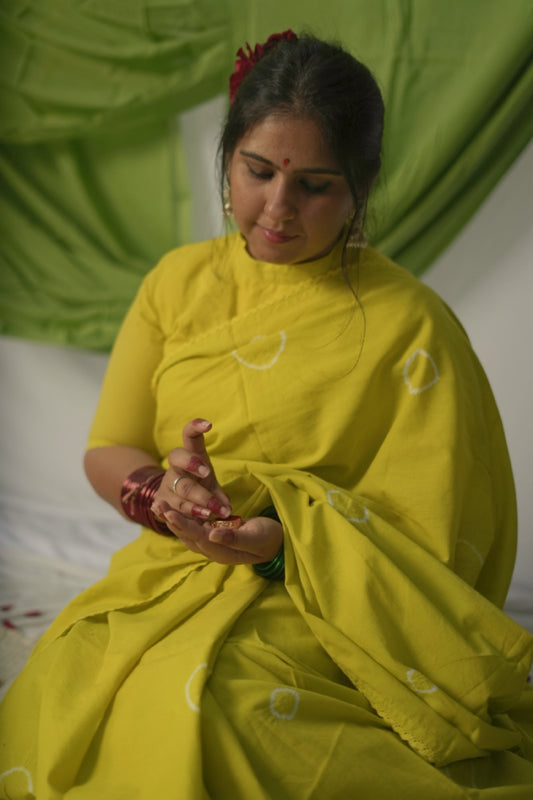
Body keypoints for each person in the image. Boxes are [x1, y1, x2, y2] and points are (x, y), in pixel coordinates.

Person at [1, 31, 532, 800]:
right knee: (73, 676)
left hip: (337, 606)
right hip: (176, 569)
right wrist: (166, 496)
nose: (276, 209)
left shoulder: (412, 327)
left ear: (361, 186)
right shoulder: (177, 283)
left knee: (223, 702)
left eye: (314, 184)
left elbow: (442, 543)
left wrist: (282, 545)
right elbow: (108, 447)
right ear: (228, 159)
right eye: (256, 172)